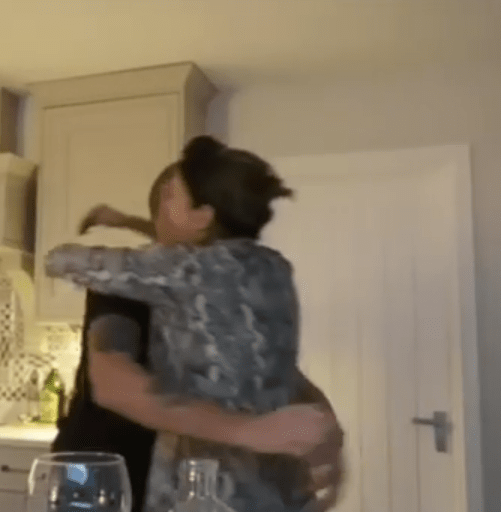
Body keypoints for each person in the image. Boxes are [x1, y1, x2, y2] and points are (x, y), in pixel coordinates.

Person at [47, 136, 341, 511]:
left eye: (174, 194)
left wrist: (320, 428)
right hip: (99, 464)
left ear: (206, 216)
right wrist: (259, 431)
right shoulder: (134, 283)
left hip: (186, 476)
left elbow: (273, 371)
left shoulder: (211, 282)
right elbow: (114, 384)